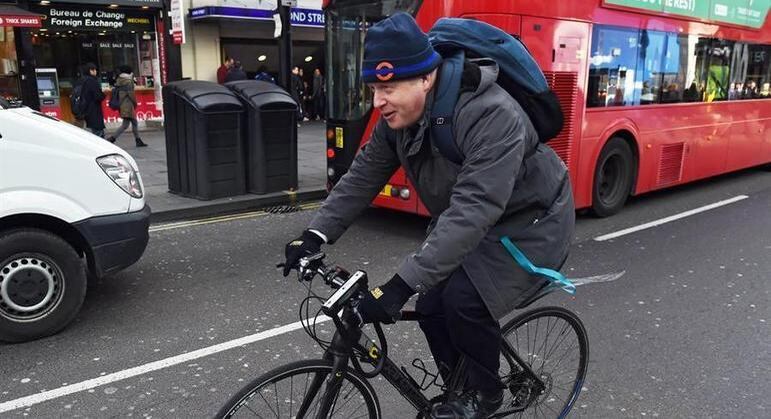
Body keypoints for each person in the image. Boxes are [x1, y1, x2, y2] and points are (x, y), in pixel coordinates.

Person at [281, 13, 575, 419]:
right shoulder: (398, 119)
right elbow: (362, 175)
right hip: (470, 220)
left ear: (426, 78)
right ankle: (460, 387)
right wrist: (314, 234)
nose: (377, 101)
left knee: (462, 301)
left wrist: (400, 285)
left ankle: (484, 396)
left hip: (529, 223)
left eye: (387, 87)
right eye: (372, 89)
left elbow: (475, 209)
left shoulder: (492, 114)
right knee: (431, 303)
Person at [106, 66, 147, 147]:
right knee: (126, 125)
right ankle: (112, 138)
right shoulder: (128, 81)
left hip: (123, 105)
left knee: (131, 123)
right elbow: (131, 94)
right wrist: (135, 103)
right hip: (128, 105)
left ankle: (137, 140)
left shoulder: (119, 79)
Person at [80, 63, 106, 138]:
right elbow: (98, 96)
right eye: (93, 70)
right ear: (89, 71)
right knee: (98, 133)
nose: (95, 71)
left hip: (87, 109)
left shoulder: (83, 80)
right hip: (94, 109)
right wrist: (103, 94)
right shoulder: (92, 81)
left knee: (94, 130)